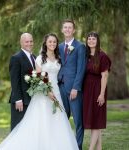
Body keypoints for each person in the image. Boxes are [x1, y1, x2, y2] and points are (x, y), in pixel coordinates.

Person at [0, 33, 79, 150]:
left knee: (56, 121)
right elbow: (37, 76)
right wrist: (47, 91)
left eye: (54, 42)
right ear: (45, 43)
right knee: (37, 123)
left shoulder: (48, 57)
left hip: (56, 92)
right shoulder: (34, 58)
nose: (52, 44)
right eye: (50, 42)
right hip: (42, 94)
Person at [58, 19, 86, 150]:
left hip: (74, 89)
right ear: (62, 30)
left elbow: (81, 69)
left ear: (74, 30)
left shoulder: (80, 46)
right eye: (65, 27)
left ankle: (78, 147)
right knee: (62, 119)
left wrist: (76, 87)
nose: (67, 29)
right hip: (61, 87)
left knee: (78, 121)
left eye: (70, 27)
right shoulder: (58, 47)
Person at [83, 32, 111, 150]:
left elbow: (105, 75)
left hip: (98, 88)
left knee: (96, 120)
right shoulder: (86, 55)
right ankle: (99, 148)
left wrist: (102, 94)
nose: (91, 41)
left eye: (93, 39)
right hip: (87, 89)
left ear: (97, 41)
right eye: (89, 39)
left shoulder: (102, 56)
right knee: (93, 120)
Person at [9, 33, 36, 130]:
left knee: (28, 129)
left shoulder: (34, 57)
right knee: (17, 128)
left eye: (31, 41)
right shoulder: (16, 58)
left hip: (32, 100)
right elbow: (14, 81)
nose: (29, 44)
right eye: (27, 42)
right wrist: (18, 99)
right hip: (21, 101)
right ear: (21, 43)